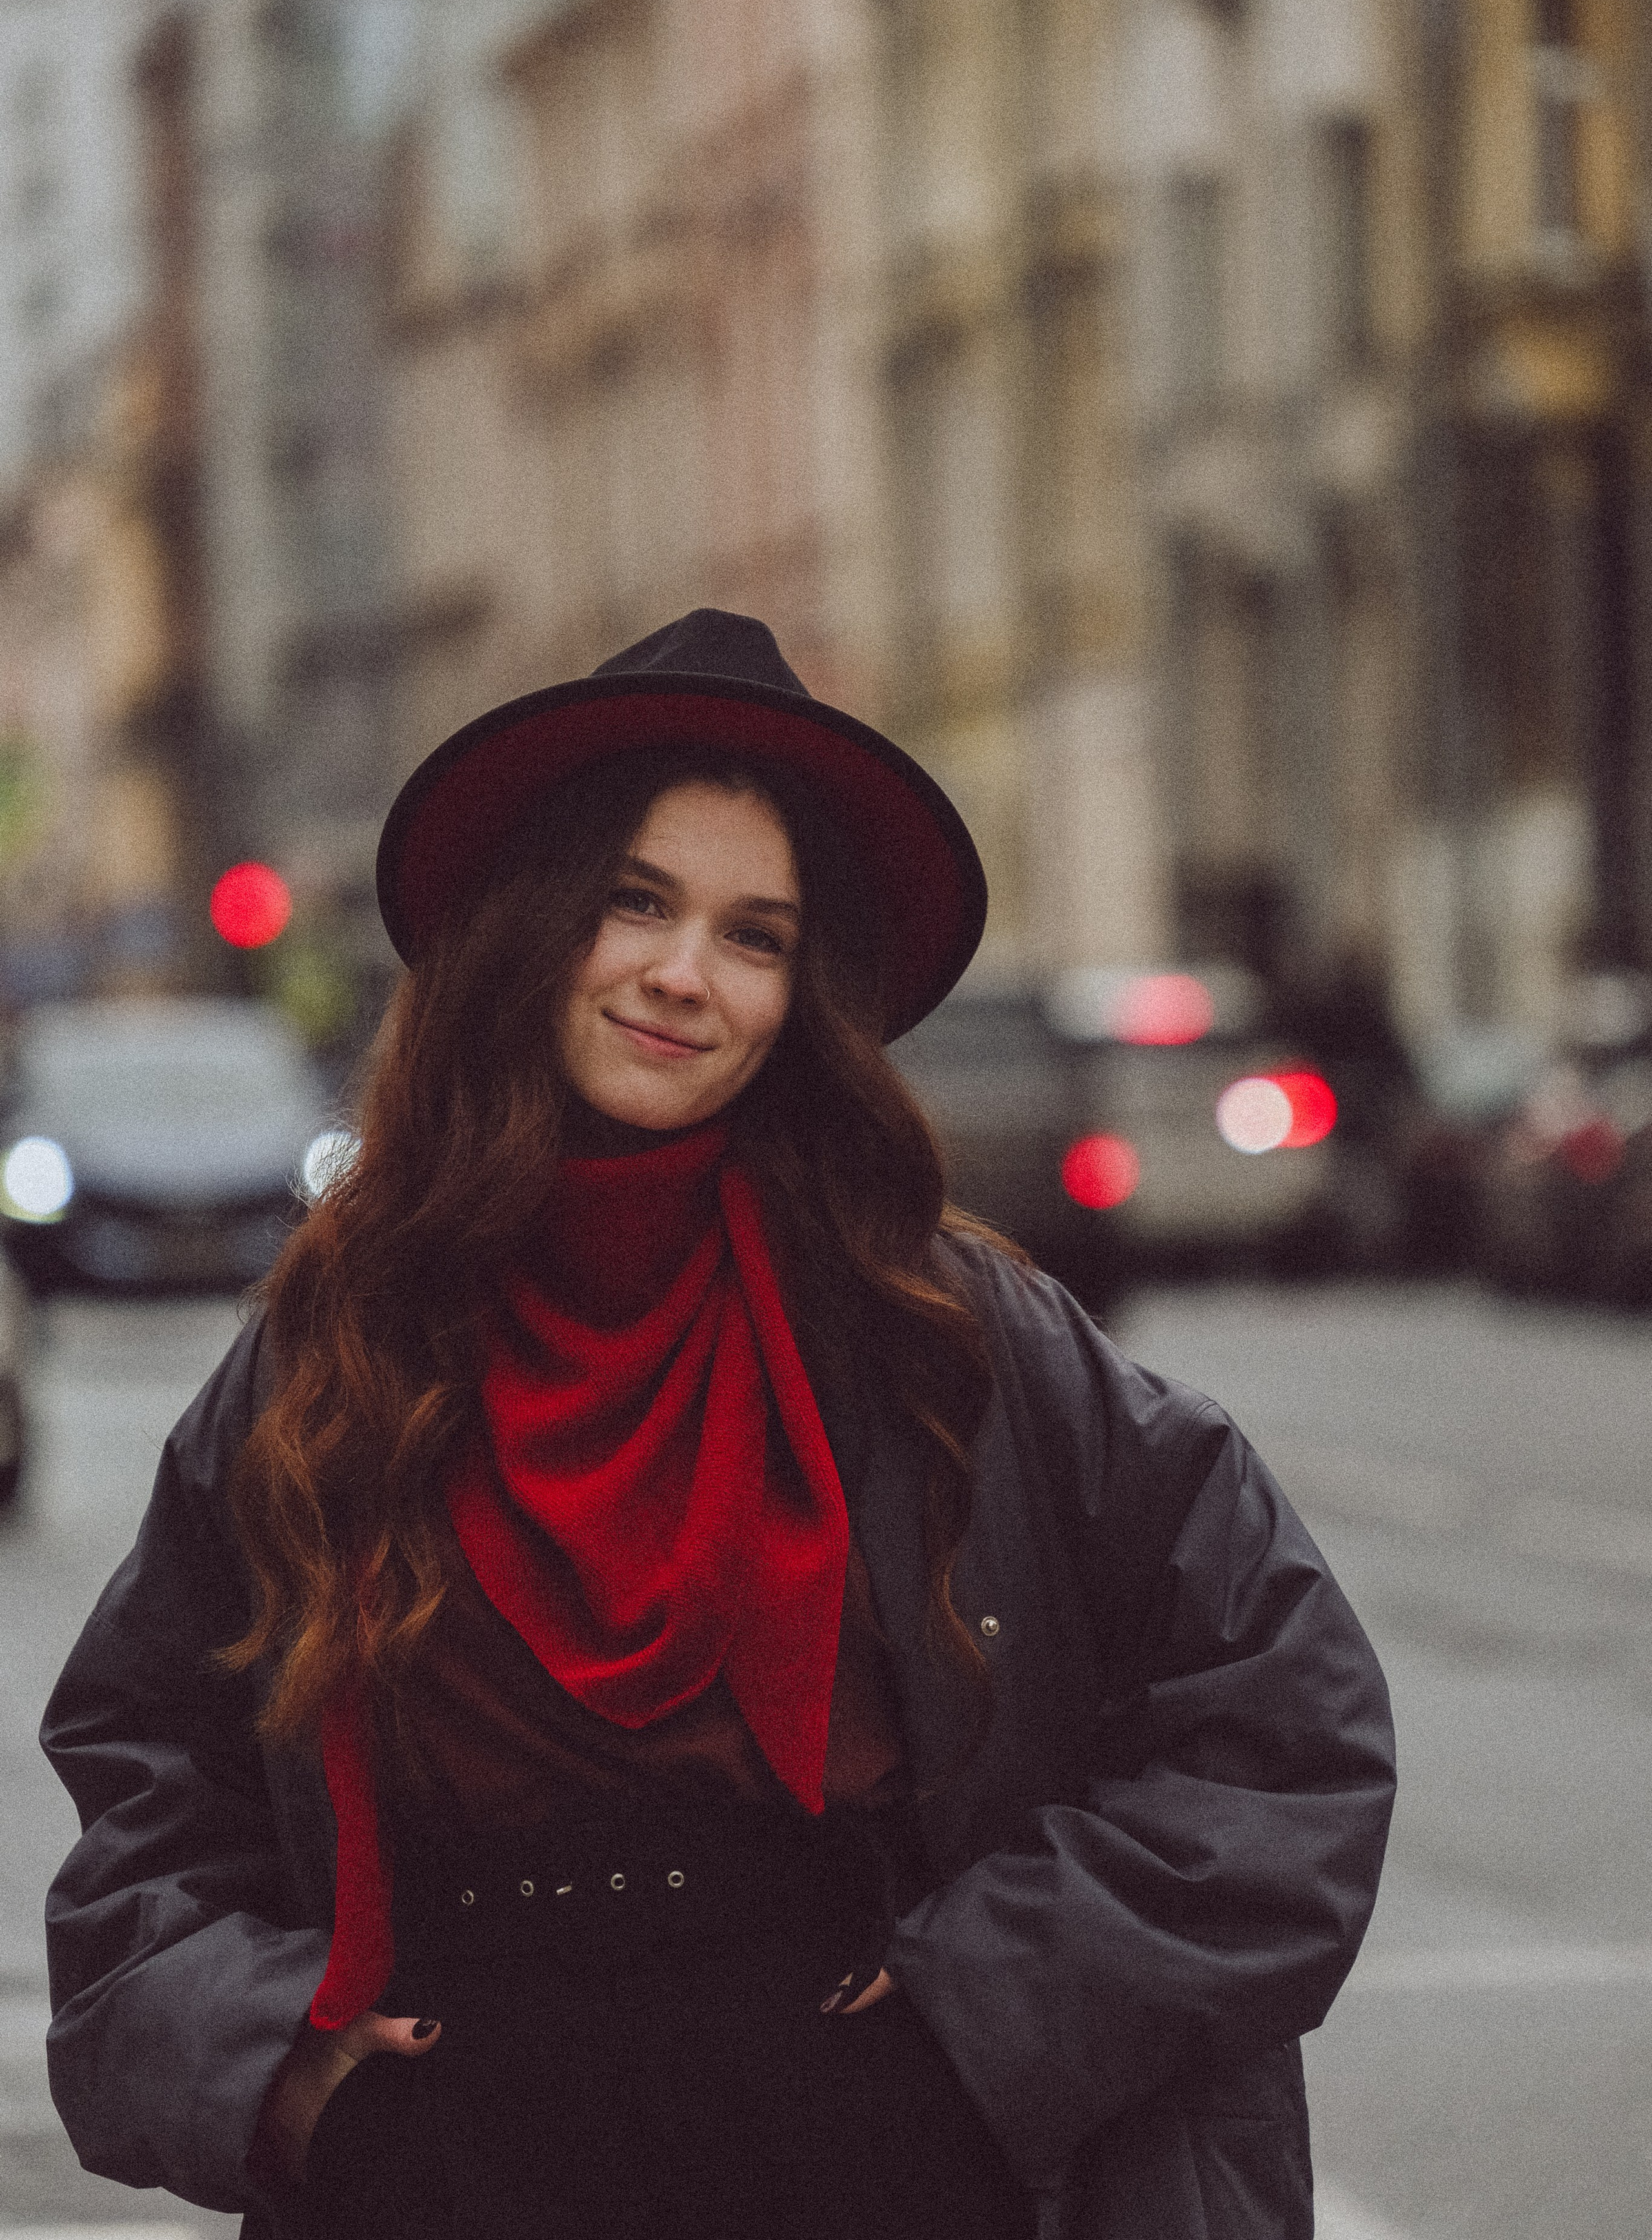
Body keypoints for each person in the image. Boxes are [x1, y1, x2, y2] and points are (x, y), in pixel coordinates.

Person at [41, 610, 1395, 2240]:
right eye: (636, 903)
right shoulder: (332, 1359)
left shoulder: (951, 1336)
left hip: (865, 2152)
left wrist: (979, 2036)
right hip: (452, 2172)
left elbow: (1284, 1731)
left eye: (755, 937)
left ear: (799, 993)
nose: (685, 976)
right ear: (529, 929)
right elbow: (145, 1793)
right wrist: (294, 2078)